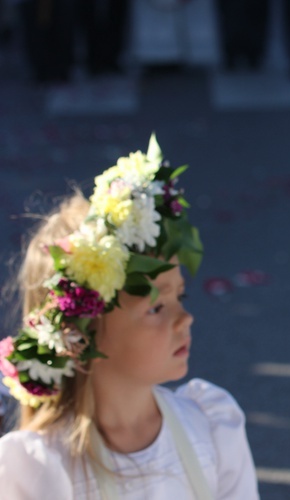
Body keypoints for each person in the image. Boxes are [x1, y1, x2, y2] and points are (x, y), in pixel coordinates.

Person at [0, 135, 260, 499]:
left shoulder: (211, 426)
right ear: (80, 332)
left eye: (180, 297)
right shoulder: (44, 467)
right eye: (156, 307)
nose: (185, 319)